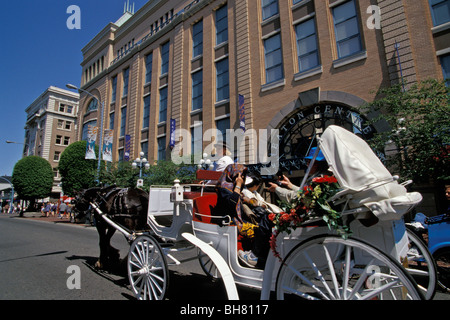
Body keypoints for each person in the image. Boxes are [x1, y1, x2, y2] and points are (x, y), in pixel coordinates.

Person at [238, 172, 280, 268]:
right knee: (267, 220)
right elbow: (257, 203)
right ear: (255, 185)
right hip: (256, 216)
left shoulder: (255, 193)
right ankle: (254, 255)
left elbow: (261, 202)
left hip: (260, 212)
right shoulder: (245, 192)